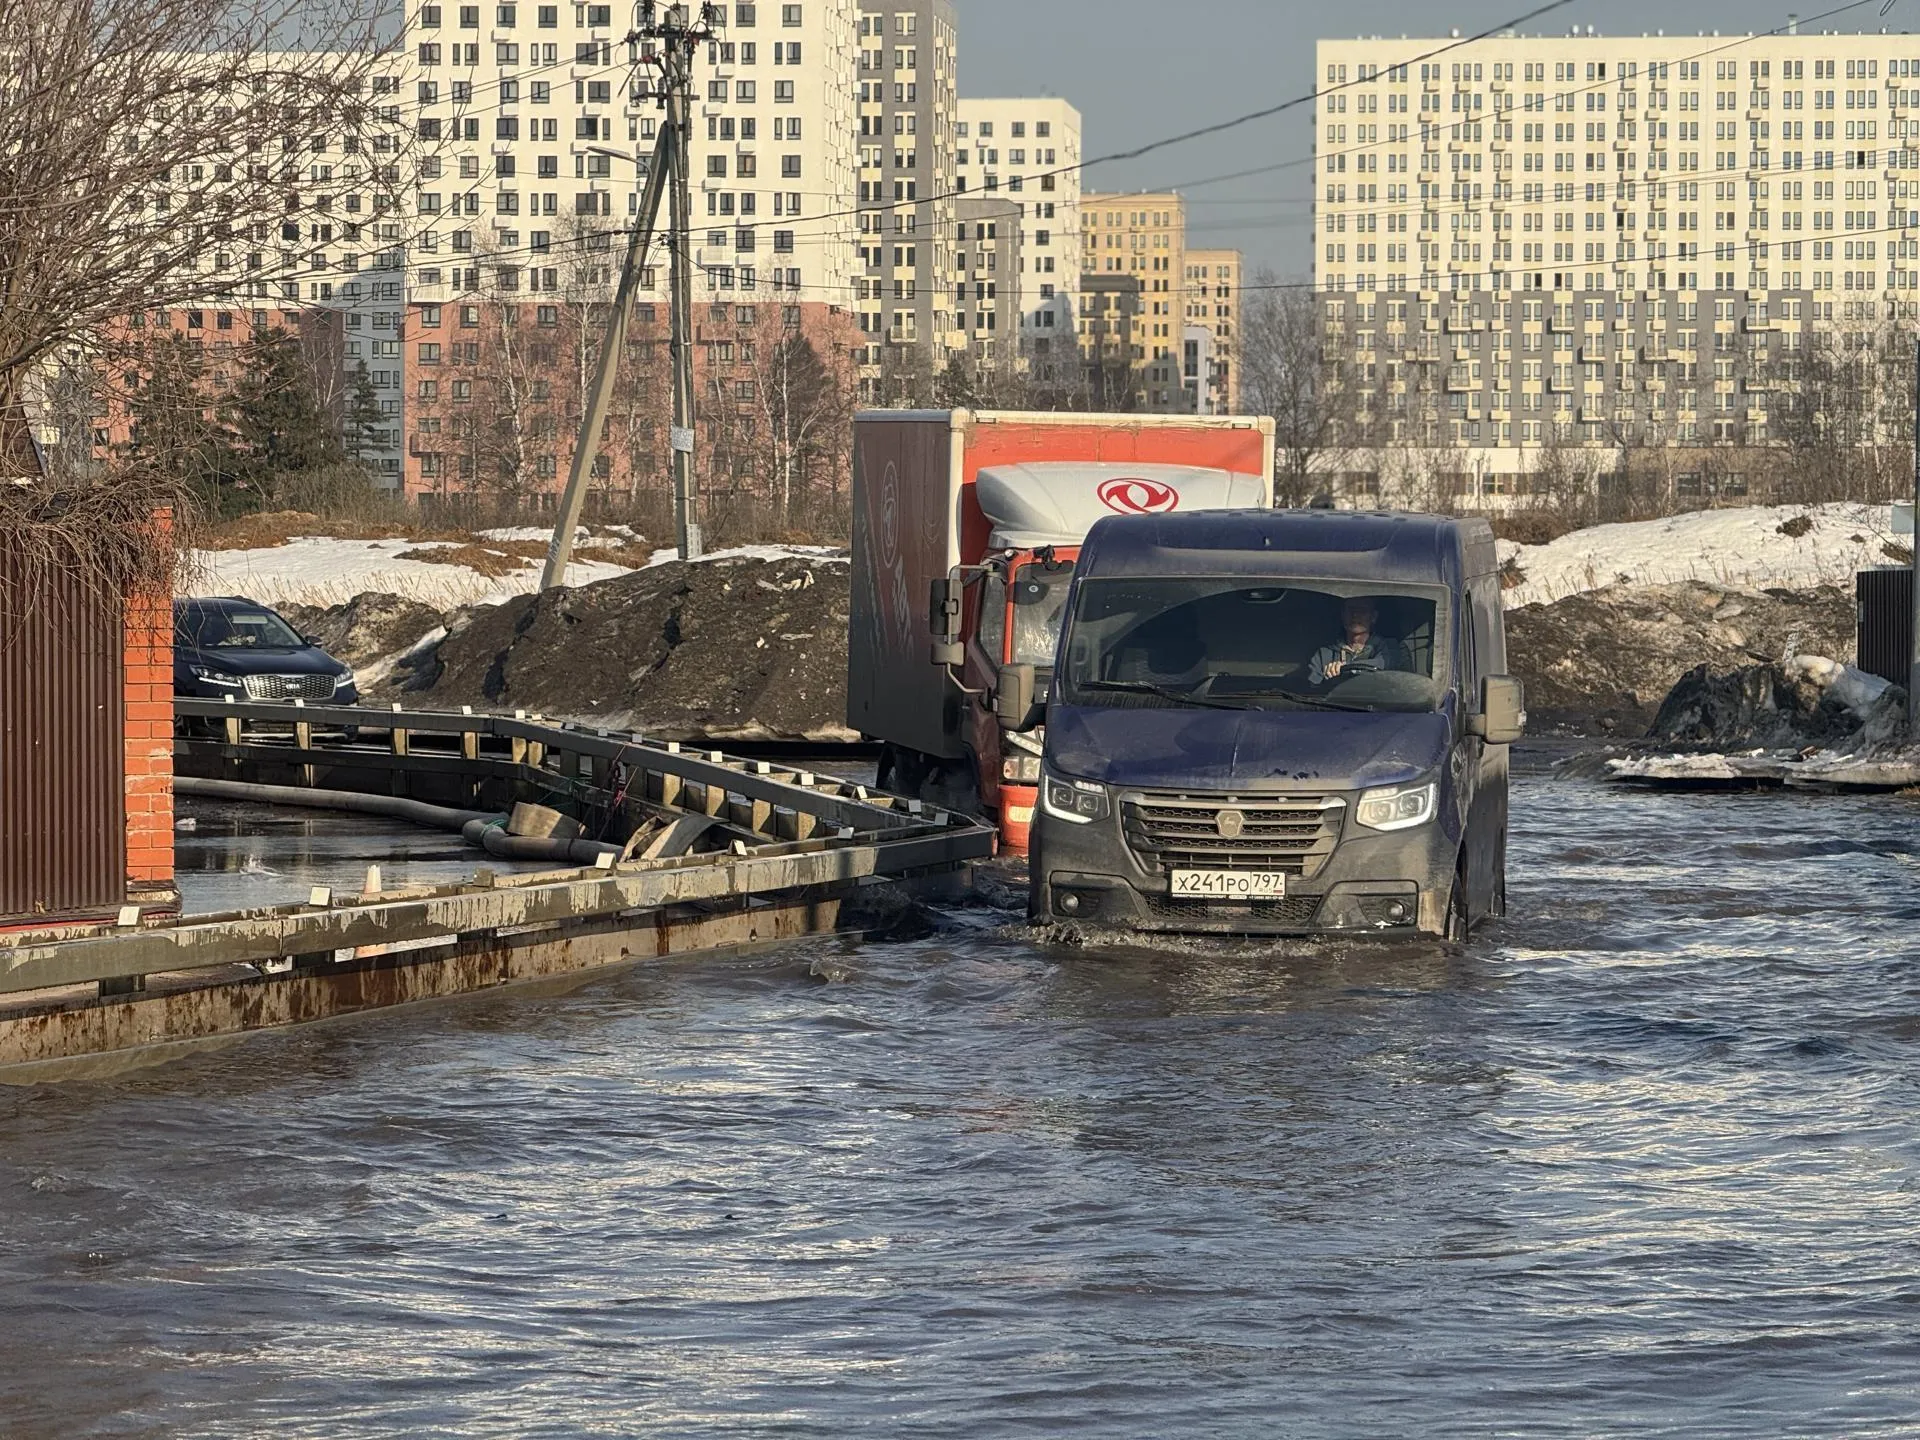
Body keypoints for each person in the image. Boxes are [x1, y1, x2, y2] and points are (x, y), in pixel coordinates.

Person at [1309, 597, 1411, 686]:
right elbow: (1311, 690)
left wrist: (1343, 669)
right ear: (1343, 615)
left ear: (1373, 617)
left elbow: (1385, 665)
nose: (1355, 615)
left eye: (1362, 610)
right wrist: (1329, 679)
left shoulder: (1393, 648)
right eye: (1350, 609)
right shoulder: (1324, 654)